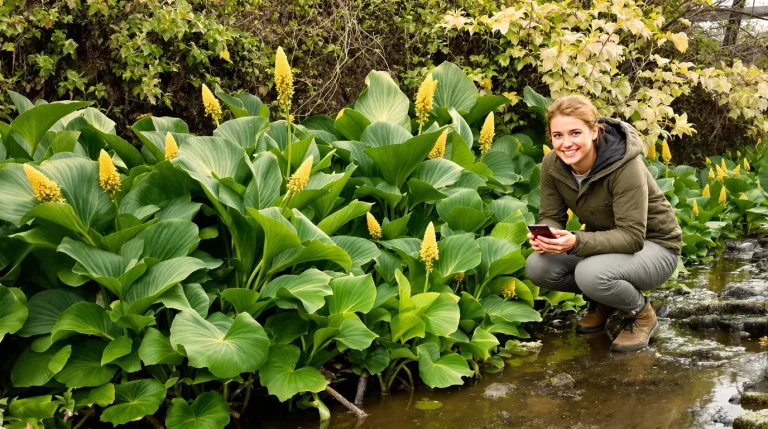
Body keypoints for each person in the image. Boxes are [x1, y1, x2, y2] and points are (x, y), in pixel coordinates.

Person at [525, 95, 682, 352]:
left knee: (591, 274)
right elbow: (551, 215)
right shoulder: (552, 165)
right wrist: (548, 234)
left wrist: (575, 241)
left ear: (594, 131)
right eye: (558, 135)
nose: (566, 143)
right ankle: (607, 301)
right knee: (538, 266)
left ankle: (642, 315)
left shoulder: (625, 165)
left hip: (656, 246)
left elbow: (632, 237)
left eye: (575, 133)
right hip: (608, 245)